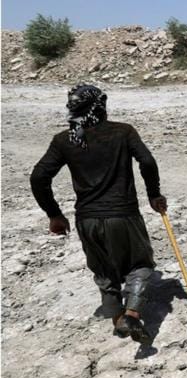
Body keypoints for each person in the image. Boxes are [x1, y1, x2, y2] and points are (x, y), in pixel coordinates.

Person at [30, 83, 167, 345]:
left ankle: (118, 320)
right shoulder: (123, 132)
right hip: (123, 214)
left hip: (87, 219)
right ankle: (132, 312)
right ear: (101, 105)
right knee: (140, 264)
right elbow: (147, 161)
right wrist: (154, 194)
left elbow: (38, 177)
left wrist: (54, 214)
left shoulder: (65, 140)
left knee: (104, 272)